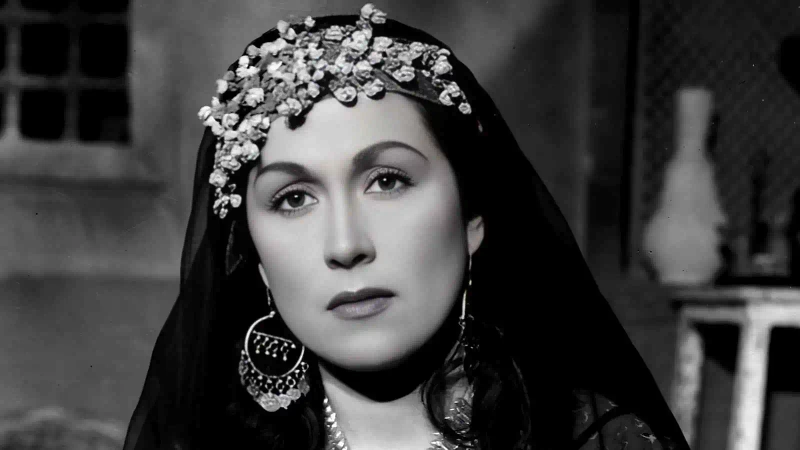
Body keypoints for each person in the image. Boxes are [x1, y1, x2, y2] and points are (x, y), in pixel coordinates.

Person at [123, 5, 692, 450]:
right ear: (254, 256)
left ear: (471, 217)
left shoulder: (596, 441)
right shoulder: (201, 443)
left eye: (388, 181)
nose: (346, 245)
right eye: (293, 198)